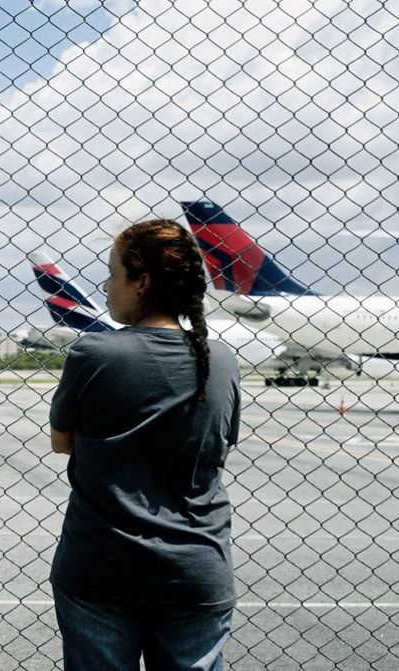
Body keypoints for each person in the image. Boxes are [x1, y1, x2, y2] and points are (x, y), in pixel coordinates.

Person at [47, 219, 242, 670]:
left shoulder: (93, 352)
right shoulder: (222, 360)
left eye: (113, 273)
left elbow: (62, 442)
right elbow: (218, 445)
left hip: (102, 565)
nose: (107, 285)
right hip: (196, 568)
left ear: (142, 282)